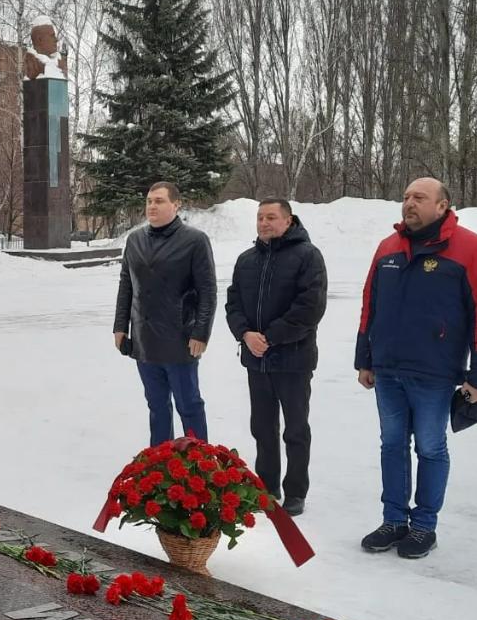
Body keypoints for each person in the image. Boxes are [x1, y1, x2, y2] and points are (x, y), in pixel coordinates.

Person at [355, 178, 477, 558]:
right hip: (388, 368)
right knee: (391, 445)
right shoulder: (388, 248)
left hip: (435, 372)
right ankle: (393, 520)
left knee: (431, 447)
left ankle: (423, 526)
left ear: (442, 206)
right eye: (406, 197)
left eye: (419, 197)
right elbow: (369, 304)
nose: (409, 203)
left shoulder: (473, 249)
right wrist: (365, 358)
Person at [225, 199, 327, 517]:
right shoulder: (246, 260)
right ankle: (266, 487)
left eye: (271, 217)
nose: (264, 223)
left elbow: (310, 307)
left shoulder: (308, 256)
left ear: (288, 220)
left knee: (295, 429)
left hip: (293, 359)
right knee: (262, 427)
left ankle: (296, 491)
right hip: (256, 360)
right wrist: (245, 334)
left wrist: (269, 337)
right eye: (259, 217)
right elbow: (233, 304)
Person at [114, 182, 216, 445]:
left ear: (176, 204)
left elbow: (207, 292)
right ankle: (160, 465)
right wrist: (120, 327)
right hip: (144, 341)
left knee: (189, 405)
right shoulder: (135, 240)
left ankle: (199, 462)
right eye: (149, 201)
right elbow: (126, 285)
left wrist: (200, 332)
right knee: (157, 407)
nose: (152, 206)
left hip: (179, 341)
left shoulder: (194, 241)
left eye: (159, 201)